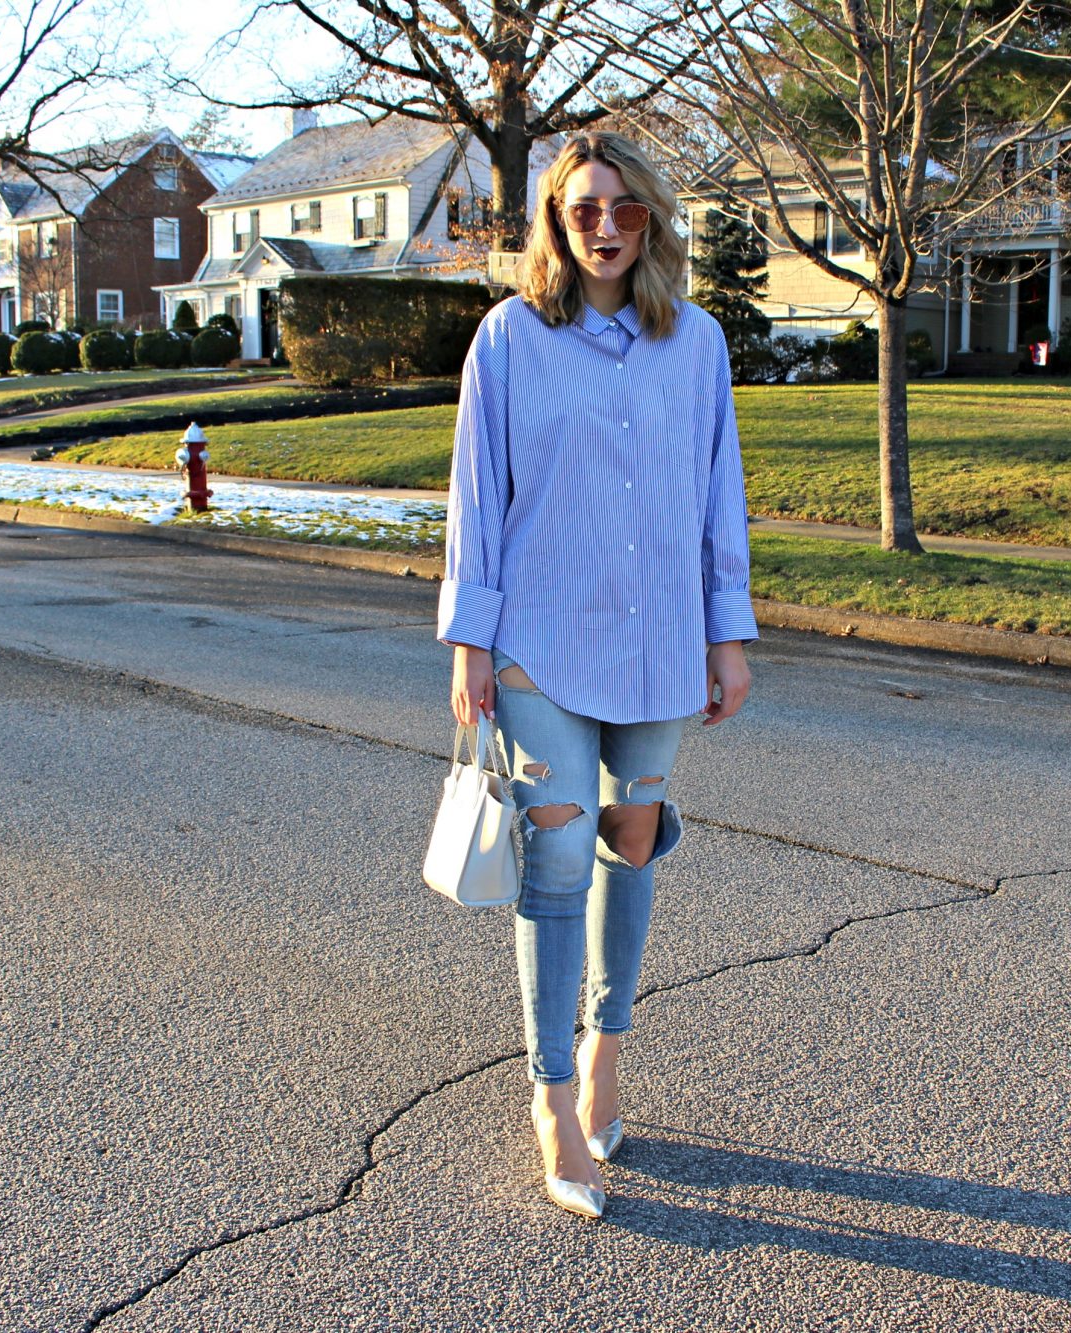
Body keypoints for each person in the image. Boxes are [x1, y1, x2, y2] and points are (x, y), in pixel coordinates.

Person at [437, 131, 756, 1220]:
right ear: (556, 224)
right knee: (561, 851)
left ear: (651, 217)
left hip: (662, 642)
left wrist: (728, 632)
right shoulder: (510, 340)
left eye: (623, 207)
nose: (606, 226)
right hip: (540, 643)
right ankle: (549, 1096)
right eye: (583, 210)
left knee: (632, 842)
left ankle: (605, 1051)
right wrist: (468, 646)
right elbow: (477, 498)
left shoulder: (696, 343)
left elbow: (719, 496)